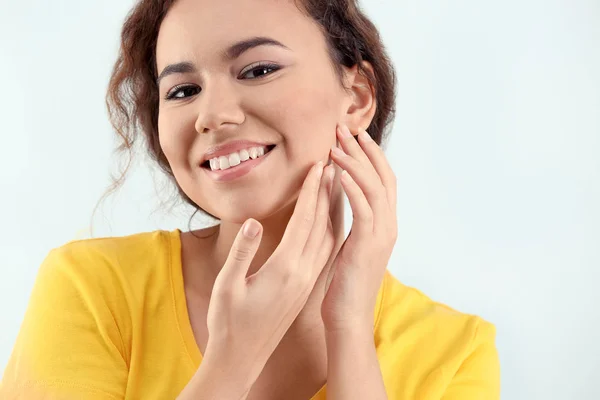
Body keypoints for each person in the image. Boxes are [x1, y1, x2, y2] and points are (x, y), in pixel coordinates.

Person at [1, 0, 500, 399]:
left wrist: (349, 330)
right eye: (182, 90)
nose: (211, 114)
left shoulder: (454, 353)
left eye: (257, 69)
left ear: (357, 97)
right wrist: (231, 361)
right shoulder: (93, 290)